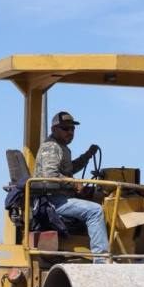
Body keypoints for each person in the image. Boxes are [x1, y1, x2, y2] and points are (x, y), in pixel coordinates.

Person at [34, 111, 107, 262]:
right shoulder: (51, 147)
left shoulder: (61, 147)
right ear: (54, 129)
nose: (70, 132)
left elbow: (69, 169)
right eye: (65, 128)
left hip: (59, 198)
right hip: (53, 200)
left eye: (73, 129)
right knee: (95, 211)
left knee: (98, 199)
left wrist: (87, 155)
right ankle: (101, 260)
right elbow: (50, 176)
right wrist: (74, 183)